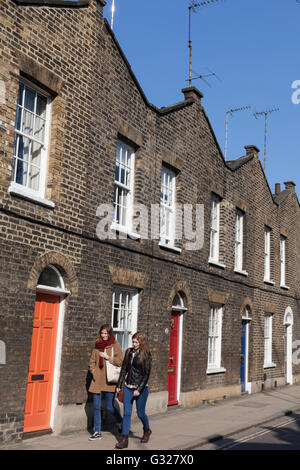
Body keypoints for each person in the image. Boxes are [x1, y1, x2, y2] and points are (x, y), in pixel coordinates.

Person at [115, 331, 152, 449]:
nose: (134, 344)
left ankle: (147, 430)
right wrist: (119, 385)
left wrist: (139, 389)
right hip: (128, 387)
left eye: (136, 342)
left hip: (141, 389)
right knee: (126, 413)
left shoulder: (146, 355)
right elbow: (124, 369)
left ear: (141, 342)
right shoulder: (128, 352)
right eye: (133, 342)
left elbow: (146, 375)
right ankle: (124, 440)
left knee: (141, 413)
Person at [88, 324, 123, 440]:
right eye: (102, 333)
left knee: (109, 406)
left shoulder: (115, 345)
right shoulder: (97, 345)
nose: (103, 336)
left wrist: (108, 357)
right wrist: (94, 372)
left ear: (110, 333)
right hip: (97, 380)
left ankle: (120, 422)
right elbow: (92, 362)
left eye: (106, 333)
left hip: (110, 380)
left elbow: (120, 362)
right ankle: (97, 431)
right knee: (97, 407)